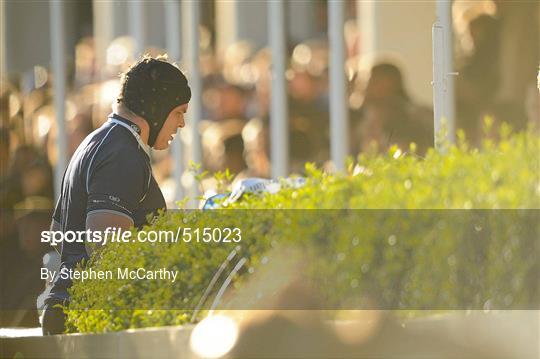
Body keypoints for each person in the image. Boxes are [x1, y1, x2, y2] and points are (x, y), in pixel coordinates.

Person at [41, 56, 191, 335]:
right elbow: (106, 247)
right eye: (179, 112)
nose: (182, 123)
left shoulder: (95, 140)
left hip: (68, 311)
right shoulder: (122, 153)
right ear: (157, 107)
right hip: (89, 322)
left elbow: (59, 233)